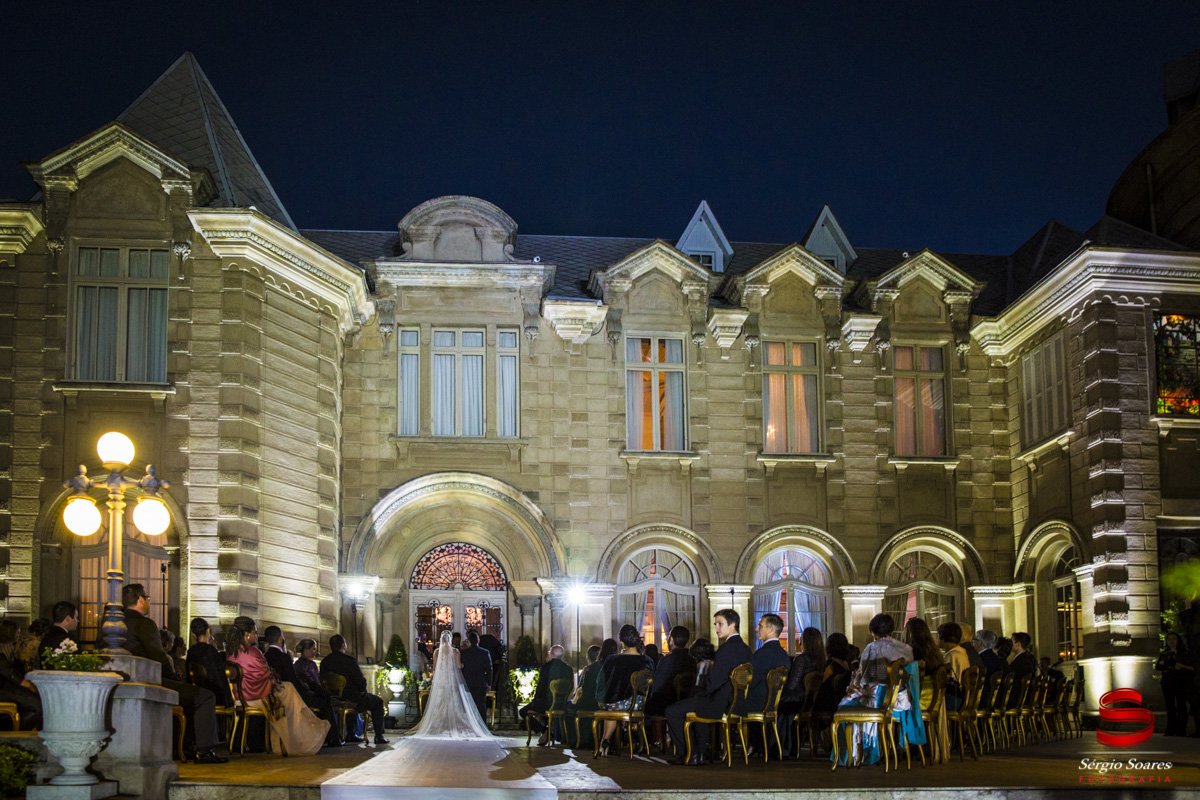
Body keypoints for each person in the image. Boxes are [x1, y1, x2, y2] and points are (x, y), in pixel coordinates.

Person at [122, 584, 228, 764]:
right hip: (149, 680)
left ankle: (186, 747)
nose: (148, 602)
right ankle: (203, 750)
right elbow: (158, 656)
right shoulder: (144, 624)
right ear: (139, 600)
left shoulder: (114, 624)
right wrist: (173, 676)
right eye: (147, 598)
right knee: (205, 697)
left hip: (124, 680)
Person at [226, 617, 330, 755]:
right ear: (247, 634)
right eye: (255, 632)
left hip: (241, 694)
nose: (257, 636)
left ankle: (294, 736)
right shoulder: (252, 652)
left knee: (288, 690)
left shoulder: (232, 652)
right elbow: (264, 674)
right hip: (255, 696)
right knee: (289, 694)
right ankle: (299, 737)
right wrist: (273, 680)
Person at [665, 608, 752, 765]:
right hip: (737, 702)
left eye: (720, 624)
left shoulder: (725, 649)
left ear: (733, 625)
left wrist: (700, 690)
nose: (716, 628)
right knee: (695, 703)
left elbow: (715, 682)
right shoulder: (746, 649)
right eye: (715, 624)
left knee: (672, 711)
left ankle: (688, 753)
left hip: (719, 702)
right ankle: (698, 753)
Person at [833, 613, 916, 767]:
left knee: (843, 708)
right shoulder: (903, 648)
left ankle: (853, 755)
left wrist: (854, 685)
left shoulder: (872, 648)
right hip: (898, 700)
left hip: (876, 700)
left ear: (873, 632)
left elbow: (863, 677)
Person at [403, 631, 493, 740]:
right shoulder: (455, 651)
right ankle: (465, 725)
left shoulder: (436, 652)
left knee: (440, 702)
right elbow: (459, 667)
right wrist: (464, 666)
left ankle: (439, 724)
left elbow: (436, 669)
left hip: (441, 680)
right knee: (456, 703)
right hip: (453, 679)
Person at [263, 626, 342, 748]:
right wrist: (306, 688)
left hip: (272, 694)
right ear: (280, 639)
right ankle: (333, 738)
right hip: (290, 694)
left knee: (320, 695)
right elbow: (292, 680)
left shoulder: (264, 656)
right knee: (324, 701)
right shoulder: (283, 657)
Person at [320, 634, 389, 744]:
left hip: (334, 699)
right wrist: (362, 692)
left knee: (355, 697)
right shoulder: (350, 661)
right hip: (352, 698)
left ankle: (351, 734)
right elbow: (360, 680)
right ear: (343, 645)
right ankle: (379, 736)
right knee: (378, 702)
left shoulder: (325, 662)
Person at [598, 625, 654, 755]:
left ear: (622, 643)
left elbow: (602, 682)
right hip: (638, 704)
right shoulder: (647, 660)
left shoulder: (612, 659)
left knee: (611, 704)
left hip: (615, 703)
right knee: (617, 702)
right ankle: (634, 735)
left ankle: (605, 741)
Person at [778, 626, 826, 757]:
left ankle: (777, 745)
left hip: (797, 700)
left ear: (804, 641)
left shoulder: (802, 660)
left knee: (773, 703)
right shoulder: (820, 660)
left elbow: (792, 685)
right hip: (809, 701)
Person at [519, 644, 573, 745]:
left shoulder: (546, 667)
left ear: (551, 654)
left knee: (523, 711)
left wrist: (535, 699)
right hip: (561, 704)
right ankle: (549, 731)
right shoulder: (568, 669)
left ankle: (544, 731)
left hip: (547, 703)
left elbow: (540, 687)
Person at [737, 614, 789, 715]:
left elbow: (750, 681)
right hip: (773, 704)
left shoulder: (763, 653)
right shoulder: (784, 654)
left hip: (756, 704)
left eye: (760, 626)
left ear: (771, 629)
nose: (757, 629)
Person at [645, 626, 696, 717]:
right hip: (686, 701)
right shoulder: (692, 661)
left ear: (671, 639)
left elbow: (657, 687)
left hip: (667, 704)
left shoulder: (667, 660)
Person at [0, 621, 40, 729]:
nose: (19, 636)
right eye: (17, 633)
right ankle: (18, 735)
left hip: (9, 685)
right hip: (5, 688)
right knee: (38, 705)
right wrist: (25, 683)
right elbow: (7, 671)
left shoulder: (13, 647)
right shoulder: (7, 648)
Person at [186, 618, 234, 707]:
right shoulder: (211, 651)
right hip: (215, 697)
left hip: (197, 695)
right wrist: (229, 701)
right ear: (207, 631)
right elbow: (219, 677)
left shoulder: (191, 651)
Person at [1156, 633, 1193, 736]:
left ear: (1178, 640)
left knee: (1181, 705)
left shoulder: (1183, 653)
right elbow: (1158, 666)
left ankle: (1181, 730)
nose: (1171, 641)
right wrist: (1170, 665)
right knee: (1170, 706)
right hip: (1167, 681)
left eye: (1173, 639)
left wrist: (1169, 665)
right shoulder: (1164, 653)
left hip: (1179, 681)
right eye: (1169, 639)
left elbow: (1185, 667)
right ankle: (1170, 729)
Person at [570, 644, 605, 750]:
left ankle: (577, 740)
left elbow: (585, 689)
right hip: (601, 701)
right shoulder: (603, 667)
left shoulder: (590, 669)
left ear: (588, 657)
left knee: (570, 709)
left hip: (591, 702)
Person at [936, 622, 971, 711]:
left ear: (943, 638)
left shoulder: (952, 656)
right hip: (962, 699)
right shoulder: (962, 653)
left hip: (954, 700)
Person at [459, 630, 493, 722]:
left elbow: (460, 667)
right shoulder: (485, 652)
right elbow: (489, 669)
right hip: (480, 682)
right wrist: (489, 683)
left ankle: (469, 725)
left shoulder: (463, 653)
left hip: (467, 682)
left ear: (469, 641)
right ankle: (483, 726)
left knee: (468, 705)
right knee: (481, 706)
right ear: (478, 640)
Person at [36, 601, 78, 669]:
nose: (77, 621)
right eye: (76, 617)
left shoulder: (45, 636)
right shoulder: (69, 639)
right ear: (68, 619)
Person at [1006, 632, 1038, 708]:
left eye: (1012, 641)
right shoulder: (1026, 658)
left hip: (1017, 698)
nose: (1010, 644)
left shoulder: (1020, 661)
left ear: (1018, 644)